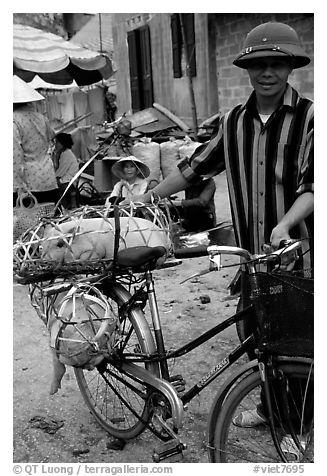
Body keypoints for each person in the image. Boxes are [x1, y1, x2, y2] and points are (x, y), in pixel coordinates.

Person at [121, 21, 313, 443]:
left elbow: (314, 186)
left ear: (291, 67)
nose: (268, 73)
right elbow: (195, 168)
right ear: (247, 68)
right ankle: (271, 409)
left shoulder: (311, 118)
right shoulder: (234, 121)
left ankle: (298, 425)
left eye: (277, 64)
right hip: (250, 255)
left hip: (294, 254)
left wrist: (283, 224)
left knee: (296, 341)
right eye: (259, 64)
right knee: (256, 333)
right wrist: (148, 197)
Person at [13, 75, 59, 206]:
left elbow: (15, 157)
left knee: (27, 225)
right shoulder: (41, 117)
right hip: (48, 179)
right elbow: (51, 137)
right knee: (49, 222)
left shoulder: (13, 120)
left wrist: (19, 187)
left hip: (28, 185)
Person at [54, 132, 79, 209]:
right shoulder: (64, 153)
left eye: (57, 142)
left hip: (68, 182)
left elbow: (60, 172)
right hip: (66, 180)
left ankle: (61, 208)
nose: (55, 145)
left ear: (62, 143)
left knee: (52, 187)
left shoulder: (66, 154)